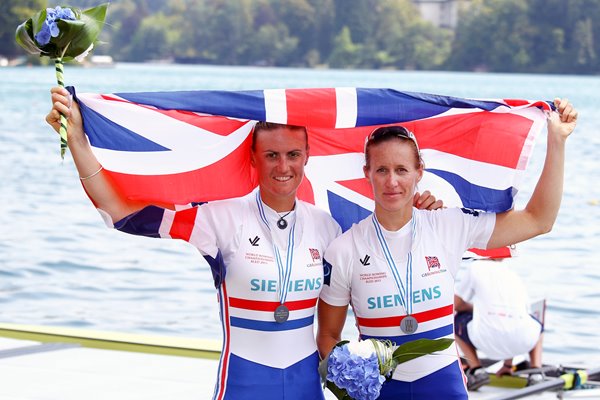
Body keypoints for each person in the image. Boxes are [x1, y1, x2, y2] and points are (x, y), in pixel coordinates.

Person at [45, 86, 441, 400]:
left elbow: (386, 242)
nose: (282, 167)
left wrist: (418, 207)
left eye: (292, 155)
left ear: (307, 157)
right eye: (271, 155)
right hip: (241, 385)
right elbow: (121, 212)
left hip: (308, 390)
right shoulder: (219, 218)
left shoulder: (328, 227)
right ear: (253, 158)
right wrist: (79, 140)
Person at [317, 99, 577, 400]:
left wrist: (557, 141)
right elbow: (328, 336)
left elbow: (538, 220)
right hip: (380, 390)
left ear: (419, 172)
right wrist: (347, 380)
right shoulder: (343, 250)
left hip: (443, 384)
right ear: (367, 172)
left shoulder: (449, 225)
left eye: (402, 169)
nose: (392, 181)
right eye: (381, 170)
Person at [454, 258, 545, 390]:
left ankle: (477, 370)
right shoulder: (512, 274)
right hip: (522, 341)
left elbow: (456, 304)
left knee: (456, 320)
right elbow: (512, 320)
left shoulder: (475, 267)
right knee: (535, 325)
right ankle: (536, 373)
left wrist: (477, 309)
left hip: (486, 339)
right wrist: (508, 365)